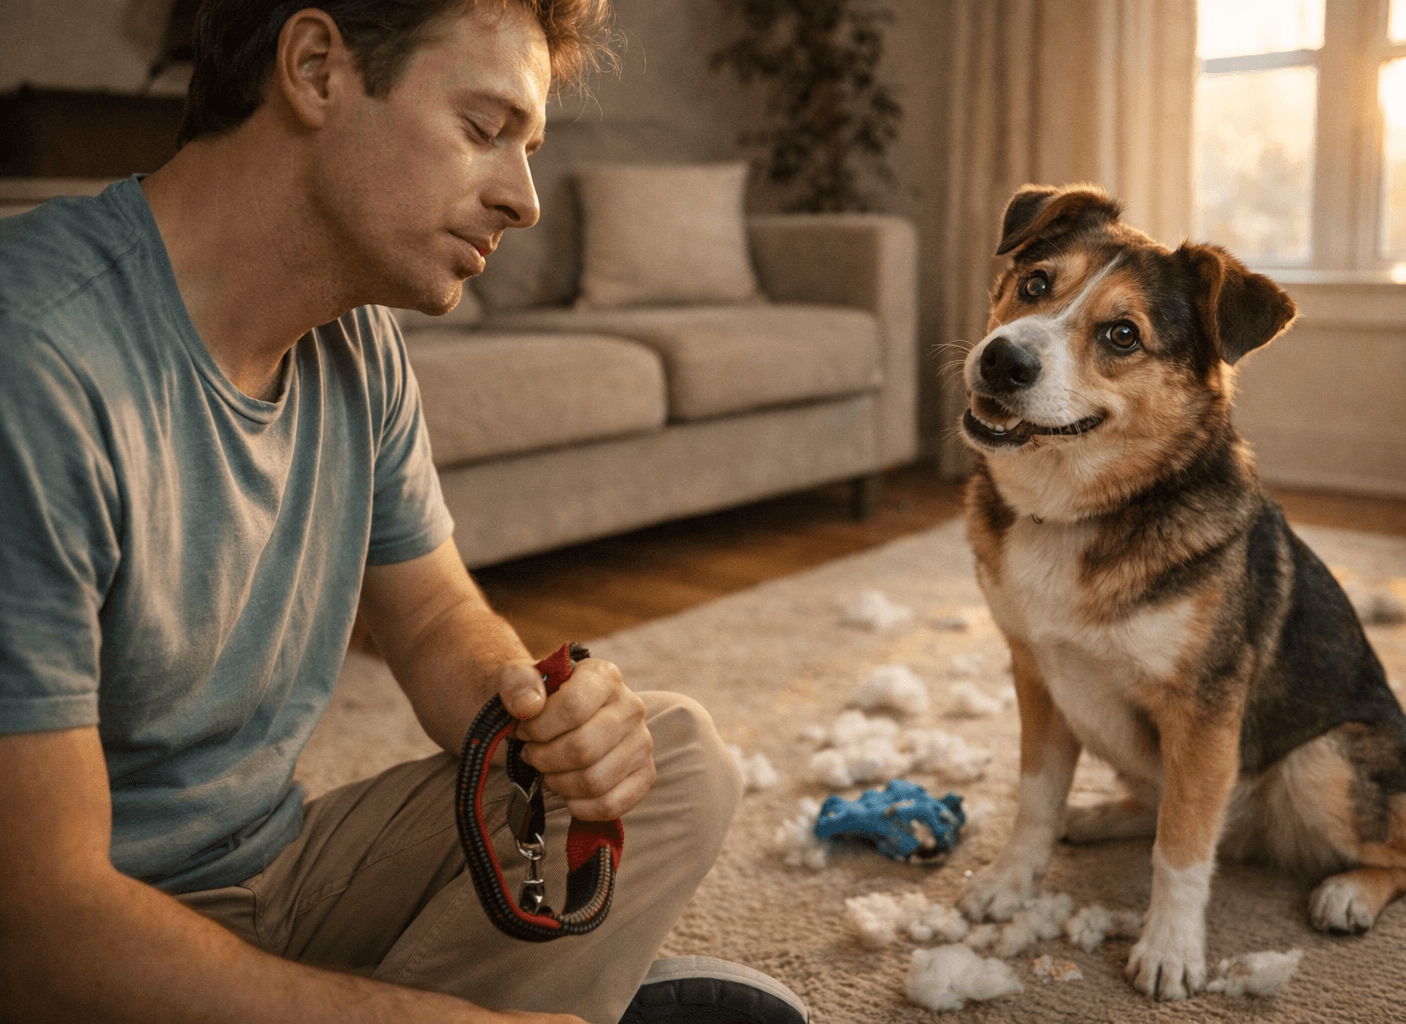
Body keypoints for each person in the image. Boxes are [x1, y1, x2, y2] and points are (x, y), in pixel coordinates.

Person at [0, 2, 807, 1022]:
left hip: (280, 872)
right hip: (99, 940)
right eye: (484, 129)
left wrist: (545, 721)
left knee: (673, 761)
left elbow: (432, 621)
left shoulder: (356, 342)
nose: (526, 200)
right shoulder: (34, 360)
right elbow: (37, 932)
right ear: (316, 68)